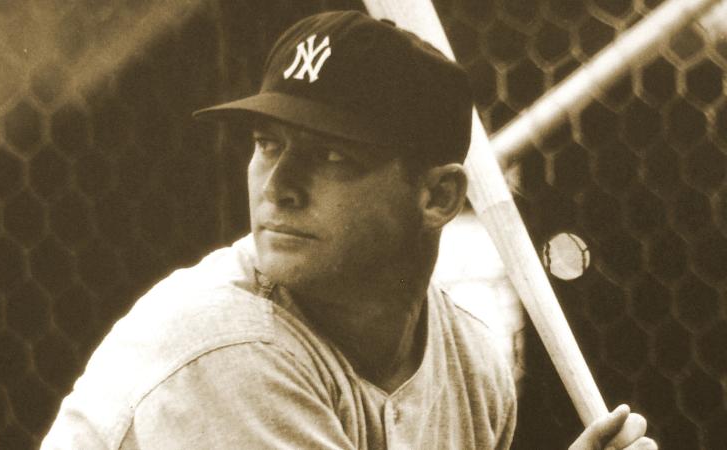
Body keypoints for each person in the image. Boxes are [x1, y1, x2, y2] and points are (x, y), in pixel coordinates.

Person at [42, 10, 657, 449]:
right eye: (266, 143)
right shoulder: (226, 350)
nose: (278, 183)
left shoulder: (472, 368)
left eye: (333, 156)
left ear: (438, 196)